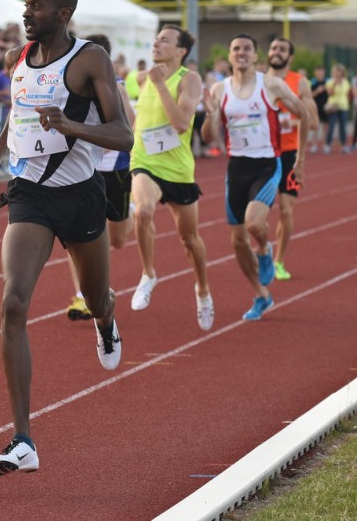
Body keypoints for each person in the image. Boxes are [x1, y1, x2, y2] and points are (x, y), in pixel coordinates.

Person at [0, 0, 133, 476]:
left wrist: (71, 126)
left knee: (95, 298)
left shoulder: (89, 59)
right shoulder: (16, 59)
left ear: (63, 14)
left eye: (37, 7)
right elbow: (18, 109)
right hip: (30, 195)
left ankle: (107, 324)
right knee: (13, 301)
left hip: (81, 196)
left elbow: (122, 135)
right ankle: (23, 440)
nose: (27, 14)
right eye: (26, 5)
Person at [201, 34, 305, 321]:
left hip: (266, 165)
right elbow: (209, 136)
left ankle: (265, 249)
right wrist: (210, 116)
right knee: (236, 241)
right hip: (236, 168)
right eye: (236, 48)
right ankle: (262, 295)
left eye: (247, 48)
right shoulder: (219, 89)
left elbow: (304, 113)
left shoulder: (270, 84)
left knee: (254, 223)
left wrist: (301, 158)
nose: (241, 52)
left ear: (256, 56)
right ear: (230, 56)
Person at [126, 25, 213, 329]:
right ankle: (148, 273)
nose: (157, 43)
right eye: (156, 38)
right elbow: (118, 94)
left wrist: (161, 85)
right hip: (144, 161)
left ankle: (202, 289)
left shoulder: (188, 79)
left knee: (189, 239)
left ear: (181, 51)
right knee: (144, 211)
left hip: (177, 169)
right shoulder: (139, 78)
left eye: (165, 40)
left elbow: (179, 124)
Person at [64, 33, 136, 322]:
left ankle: (127, 211)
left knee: (117, 239)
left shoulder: (116, 87)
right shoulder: (71, 85)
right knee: (76, 237)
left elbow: (129, 125)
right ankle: (83, 296)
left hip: (115, 169)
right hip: (84, 171)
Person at [265, 36, 317, 281]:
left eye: (282, 49)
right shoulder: (258, 81)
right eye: (274, 48)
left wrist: (288, 121)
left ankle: (279, 261)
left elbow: (313, 121)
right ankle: (263, 253)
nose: (276, 52)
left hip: (289, 155)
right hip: (262, 153)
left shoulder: (300, 82)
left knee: (286, 210)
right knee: (254, 215)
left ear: (290, 56)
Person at [323, 64, 351, 153]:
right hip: (333, 106)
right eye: (336, 72)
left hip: (343, 106)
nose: (338, 74)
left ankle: (343, 145)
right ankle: (327, 144)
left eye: (339, 72)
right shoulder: (330, 82)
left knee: (343, 127)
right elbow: (330, 93)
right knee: (331, 126)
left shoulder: (346, 82)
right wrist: (335, 83)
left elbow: (347, 94)